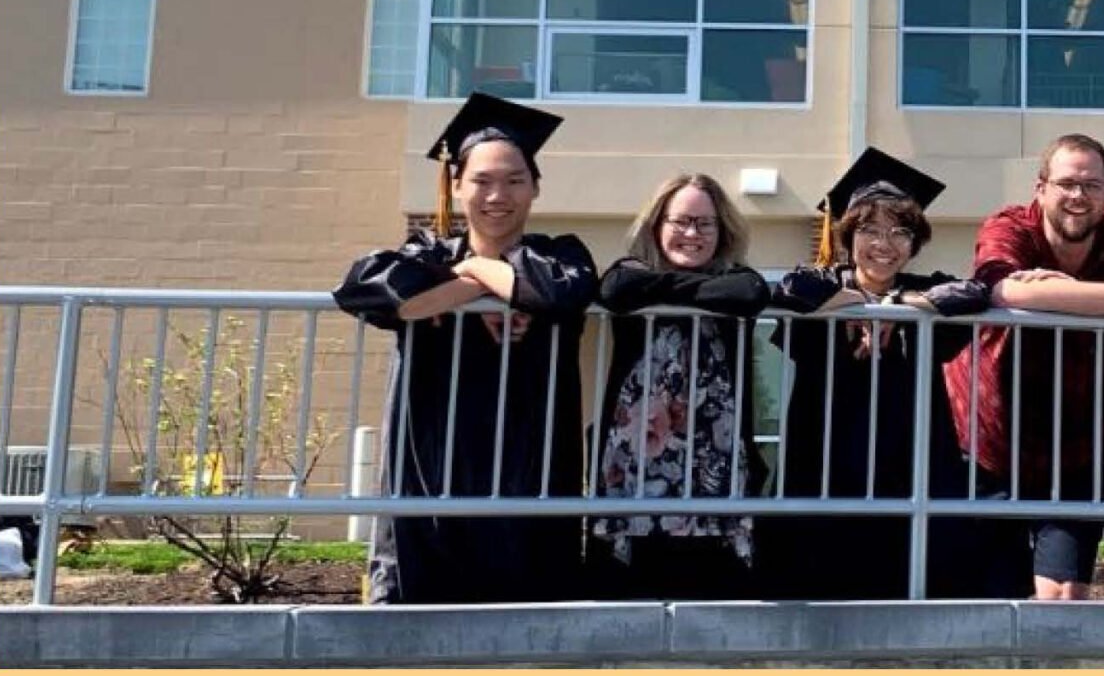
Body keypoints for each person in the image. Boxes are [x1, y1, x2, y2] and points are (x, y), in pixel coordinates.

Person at [333, 93, 597, 604]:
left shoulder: (557, 254)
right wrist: (488, 282)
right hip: (431, 469)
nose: (498, 195)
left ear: (536, 188)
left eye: (515, 180)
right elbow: (377, 295)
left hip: (528, 472)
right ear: (456, 186)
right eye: (481, 180)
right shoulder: (426, 254)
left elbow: (562, 294)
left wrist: (471, 275)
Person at [752, 147, 1025, 600]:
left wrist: (894, 309)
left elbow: (975, 292)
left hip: (908, 465)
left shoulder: (921, 291)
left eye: (900, 232)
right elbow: (790, 290)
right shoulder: (822, 283)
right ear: (848, 234)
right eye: (870, 230)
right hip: (826, 463)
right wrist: (858, 307)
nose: (885, 244)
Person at [944, 133, 1104, 600]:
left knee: (1061, 598)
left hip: (1079, 453)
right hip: (987, 449)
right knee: (989, 600)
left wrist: (1058, 292)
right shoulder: (1010, 225)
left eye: (1092, 185)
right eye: (1066, 183)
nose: (1078, 196)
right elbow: (1000, 287)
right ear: (1041, 188)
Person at [587, 173, 771, 600]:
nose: (692, 234)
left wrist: (667, 291)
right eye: (680, 221)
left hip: (713, 468)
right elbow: (617, 289)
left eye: (705, 224)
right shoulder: (631, 273)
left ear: (722, 230)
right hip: (635, 471)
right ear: (657, 225)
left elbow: (748, 293)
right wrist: (702, 291)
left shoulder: (736, 278)